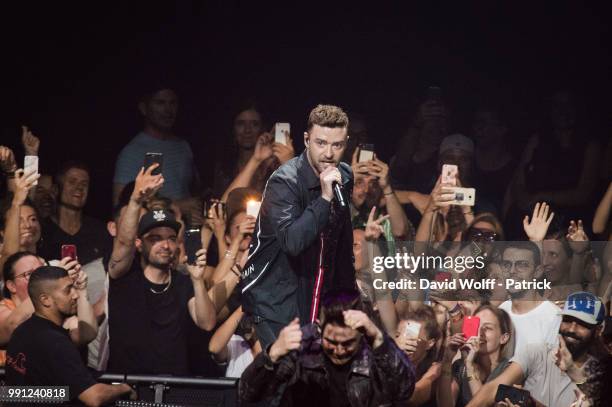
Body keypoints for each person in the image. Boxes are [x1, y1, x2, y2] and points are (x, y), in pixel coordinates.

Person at [241, 104, 357, 348]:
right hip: (275, 301)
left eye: (337, 145)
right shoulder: (284, 181)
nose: (328, 153)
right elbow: (292, 242)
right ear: (306, 140)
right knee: (288, 376)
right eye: (321, 143)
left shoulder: (343, 176)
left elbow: (343, 243)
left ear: (346, 143)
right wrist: (325, 199)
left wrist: (349, 299)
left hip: (316, 294)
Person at [107, 165, 216, 375]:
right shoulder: (124, 277)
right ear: (139, 244)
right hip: (129, 390)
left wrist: (197, 280)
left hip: (174, 390)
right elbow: (123, 243)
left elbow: (207, 323)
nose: (165, 245)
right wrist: (135, 200)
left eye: (171, 238)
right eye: (155, 238)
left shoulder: (184, 282)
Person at [239, 289, 416, 406]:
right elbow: (247, 395)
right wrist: (272, 354)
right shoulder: (301, 347)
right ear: (318, 329)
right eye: (331, 342)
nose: (339, 350)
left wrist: (379, 340)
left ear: (361, 334)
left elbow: (404, 389)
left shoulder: (374, 351)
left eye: (347, 343)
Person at [5, 265, 135, 406]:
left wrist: (83, 290)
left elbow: (13, 393)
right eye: (68, 290)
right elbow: (94, 398)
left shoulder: (23, 331)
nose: (75, 295)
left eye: (74, 288)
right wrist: (124, 388)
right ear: (45, 299)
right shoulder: (54, 342)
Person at [467, 292, 609, 407]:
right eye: (567, 320)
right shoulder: (537, 352)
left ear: (598, 330)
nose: (571, 329)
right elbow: (491, 390)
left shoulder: (604, 373)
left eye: (582, 324)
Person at [113, 87, 199, 208]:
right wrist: (178, 206)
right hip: (154, 225)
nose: (168, 110)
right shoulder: (132, 152)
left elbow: (191, 190)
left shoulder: (183, 146)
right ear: (144, 108)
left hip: (185, 225)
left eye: (172, 103)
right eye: (160, 103)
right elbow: (120, 208)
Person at [437, 305, 513, 407]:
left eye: (487, 328)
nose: (480, 333)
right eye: (477, 326)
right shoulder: (460, 366)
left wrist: (470, 366)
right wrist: (447, 360)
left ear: (503, 338)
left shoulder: (511, 370)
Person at [38, 162, 111, 265]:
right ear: (55, 190)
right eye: (72, 182)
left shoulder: (100, 231)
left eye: (84, 184)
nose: (79, 188)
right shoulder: (41, 230)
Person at [497, 241, 562, 357]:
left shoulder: (554, 317)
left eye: (521, 265)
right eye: (506, 264)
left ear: (537, 272)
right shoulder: (502, 310)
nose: (512, 271)